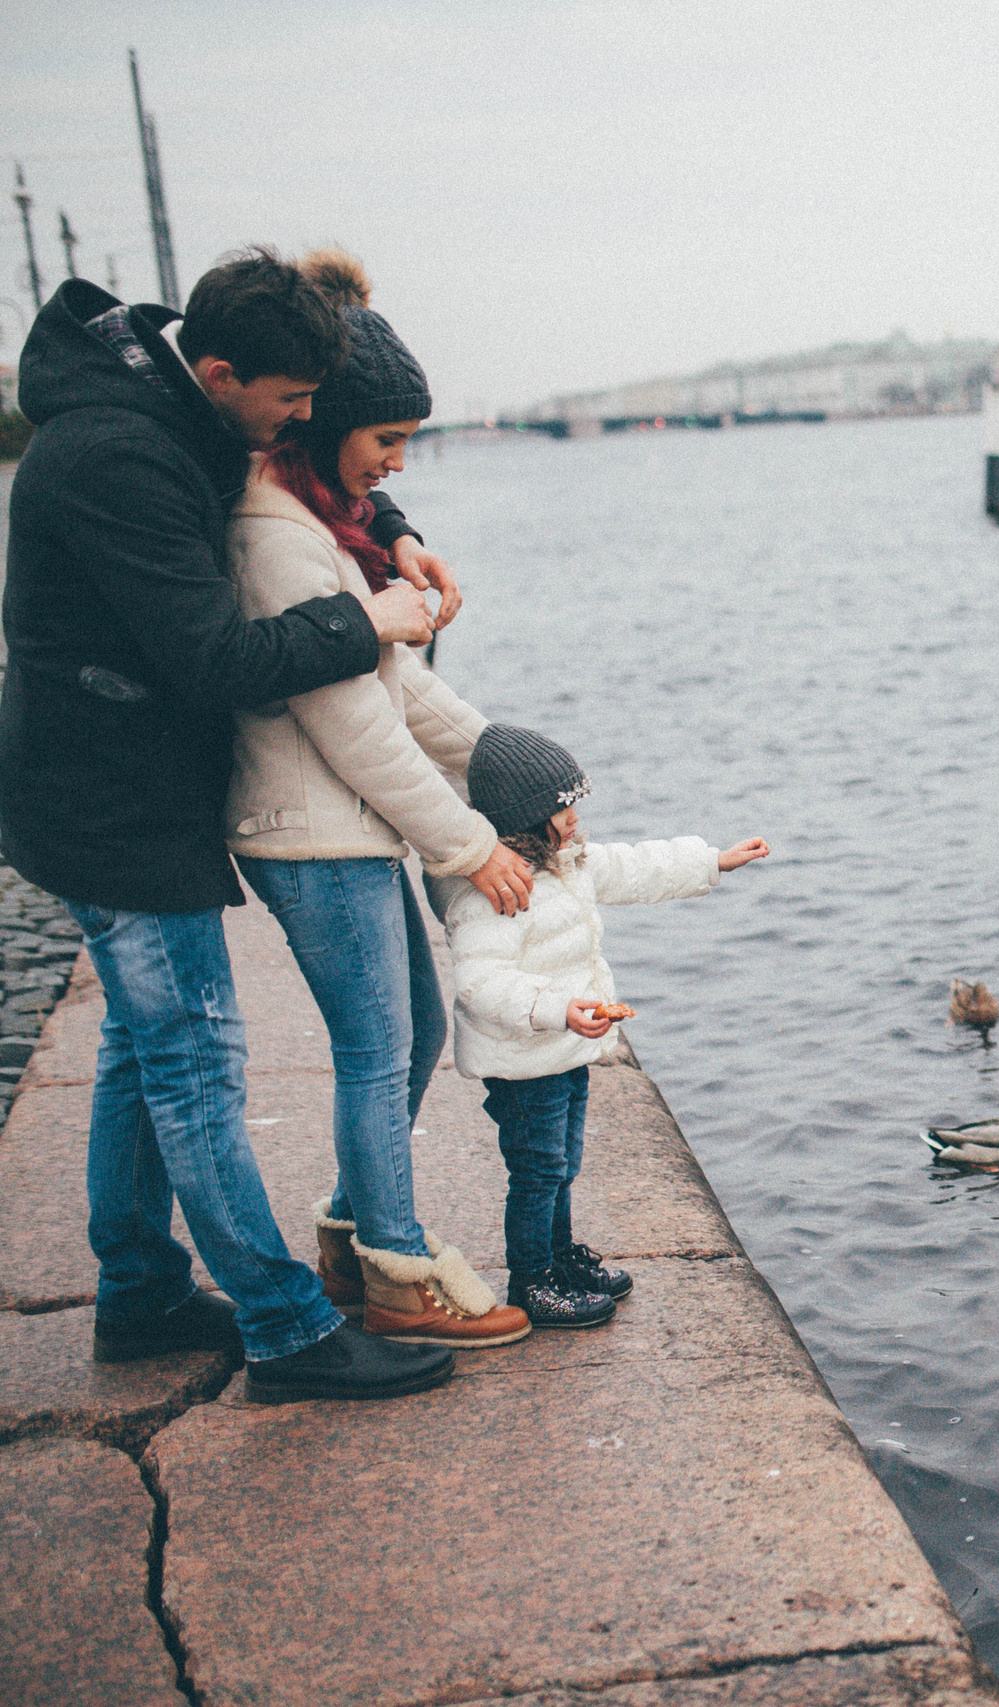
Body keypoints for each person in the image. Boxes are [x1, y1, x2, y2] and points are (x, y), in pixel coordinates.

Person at [0, 250, 454, 1401]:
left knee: (138, 1049)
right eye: (292, 401)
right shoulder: (118, 458)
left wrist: (390, 525)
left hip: (127, 782)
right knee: (195, 1063)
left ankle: (141, 1292)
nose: (302, 420)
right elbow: (215, 660)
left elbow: (303, 459)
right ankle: (288, 1332)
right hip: (110, 801)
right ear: (220, 374)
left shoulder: (179, 397)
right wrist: (369, 620)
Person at [224, 249, 535, 1349]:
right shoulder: (280, 539)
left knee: (409, 1038)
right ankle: (397, 1268)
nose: (397, 465)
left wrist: (515, 765)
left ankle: (355, 1236)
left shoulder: (321, 523)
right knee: (376, 1049)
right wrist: (471, 846)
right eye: (387, 440)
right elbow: (358, 730)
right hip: (312, 837)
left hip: (341, 830)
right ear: (323, 427)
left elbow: (401, 686)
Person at [444, 725, 767, 1326]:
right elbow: (479, 983)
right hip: (524, 1060)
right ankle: (532, 1281)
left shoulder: (569, 865)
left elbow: (636, 867)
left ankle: (559, 1257)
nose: (574, 816)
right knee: (537, 1172)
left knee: (562, 1163)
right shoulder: (494, 892)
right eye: (562, 807)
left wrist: (712, 861)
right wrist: (555, 1009)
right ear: (525, 816)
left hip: (563, 1051)